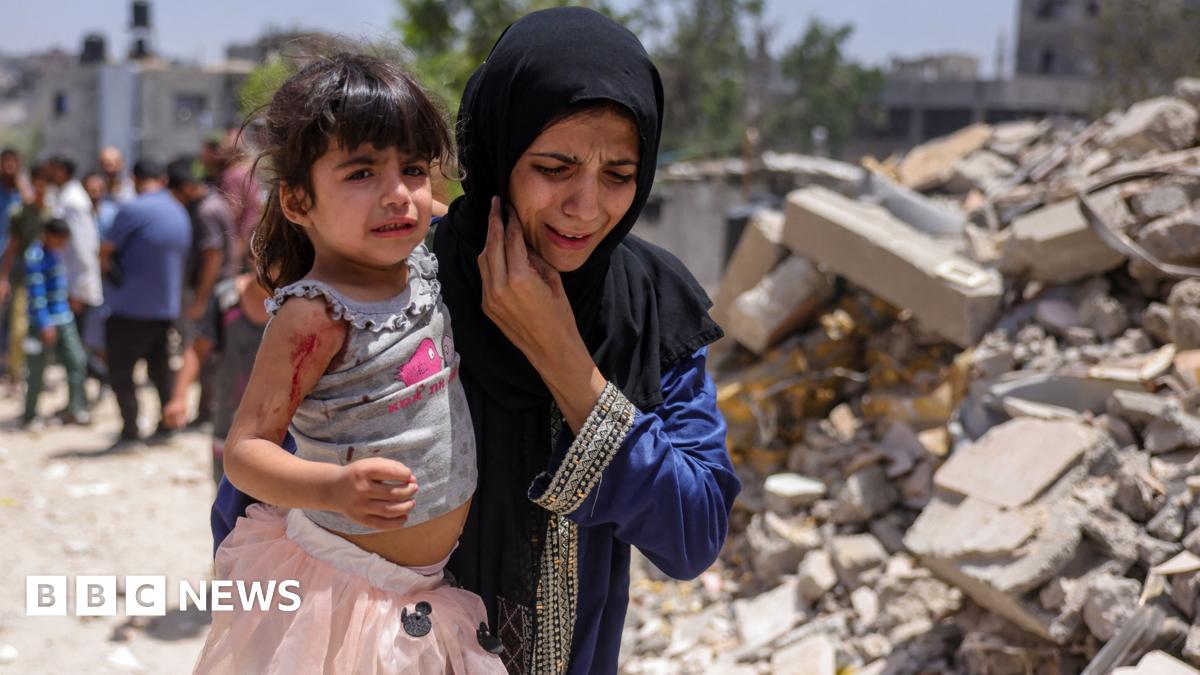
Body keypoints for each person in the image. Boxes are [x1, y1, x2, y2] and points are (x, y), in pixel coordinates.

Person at [213, 8, 741, 674]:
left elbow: (692, 537)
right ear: (500, 148)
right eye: (554, 166)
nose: (585, 205)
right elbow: (250, 506)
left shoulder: (649, 306)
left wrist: (565, 360)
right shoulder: (397, 282)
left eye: (618, 174)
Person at [192, 52, 505, 674]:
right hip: (342, 587)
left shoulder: (420, 262)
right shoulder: (316, 315)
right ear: (299, 202)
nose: (397, 195)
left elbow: (459, 213)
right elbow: (247, 450)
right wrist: (330, 487)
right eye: (361, 172)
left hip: (419, 589)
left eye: (413, 168)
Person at [99, 159, 192, 448]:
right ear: (161, 179)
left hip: (129, 309)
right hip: (166, 308)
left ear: (134, 178)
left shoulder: (132, 208)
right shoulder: (179, 211)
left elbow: (105, 252)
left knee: (120, 372)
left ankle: (130, 430)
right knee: (161, 370)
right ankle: (166, 427)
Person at [162, 270, 268, 483]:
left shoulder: (299, 302)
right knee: (228, 501)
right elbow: (198, 349)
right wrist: (179, 398)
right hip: (230, 422)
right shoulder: (226, 300)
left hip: (285, 432)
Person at [20, 218, 87, 427]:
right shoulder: (35, 256)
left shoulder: (56, 254)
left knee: (76, 361)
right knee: (36, 369)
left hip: (64, 318)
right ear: (48, 234)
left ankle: (75, 408)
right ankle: (30, 415)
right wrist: (44, 323)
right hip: (43, 323)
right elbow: (37, 295)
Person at [0, 164, 53, 383]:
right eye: (36, 181)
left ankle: (40, 375)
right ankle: (16, 374)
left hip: (50, 278)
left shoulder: (53, 211)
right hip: (24, 277)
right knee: (19, 327)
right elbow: (13, 246)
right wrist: (3, 277)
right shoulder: (21, 212)